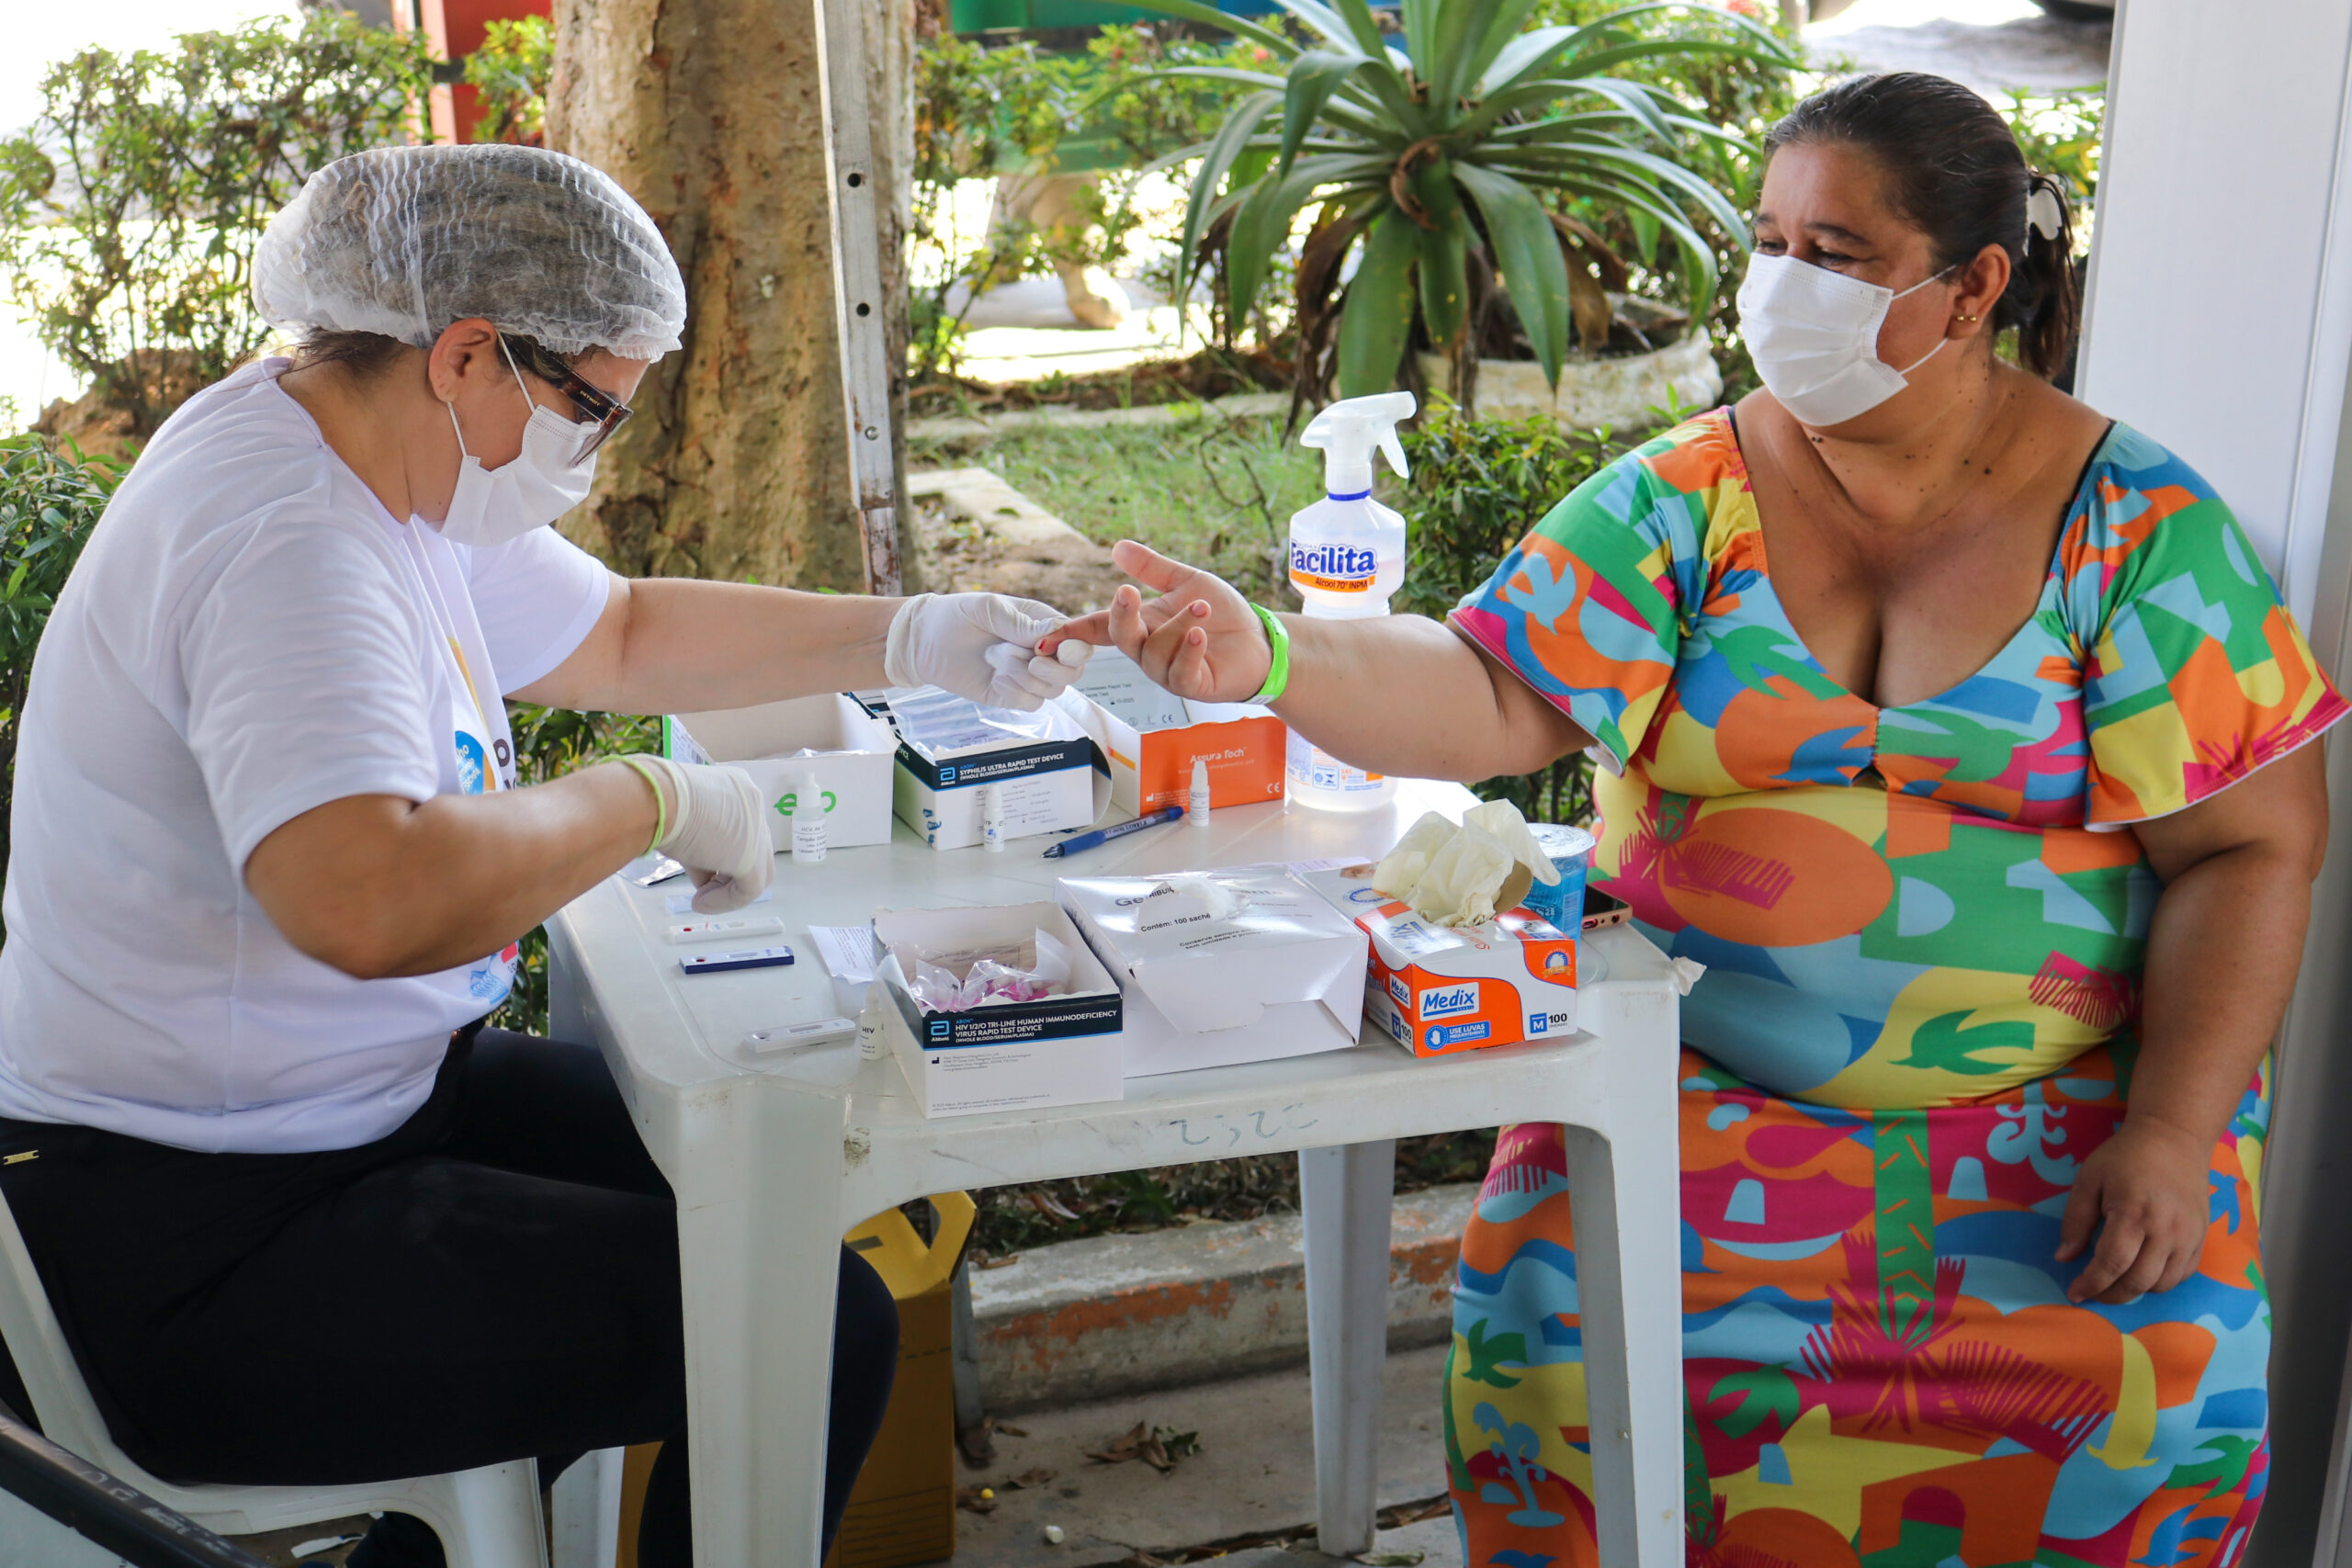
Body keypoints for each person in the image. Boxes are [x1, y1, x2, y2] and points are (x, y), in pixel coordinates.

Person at [1055, 73, 2339, 1568]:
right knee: (1557, 1361)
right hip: (1680, 1088)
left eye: (1837, 256)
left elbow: (2254, 846)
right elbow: (1489, 690)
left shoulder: (2139, 529)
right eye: (1769, 241)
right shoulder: (1688, 494)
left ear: (1974, 284)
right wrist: (1269, 655)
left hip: (2060, 1134)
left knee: (2150, 1415)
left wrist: (2177, 1131)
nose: (1782, 289)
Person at [0, 142, 1090, 1567]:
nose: (600, 446)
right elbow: (368, 899)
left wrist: (909, 633)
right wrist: (645, 804)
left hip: (349, 1109)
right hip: (190, 1239)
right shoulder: (287, 548)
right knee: (804, 1327)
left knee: (764, 1171)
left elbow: (622, 631)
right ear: (466, 353)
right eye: (593, 407)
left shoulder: (365, 441)